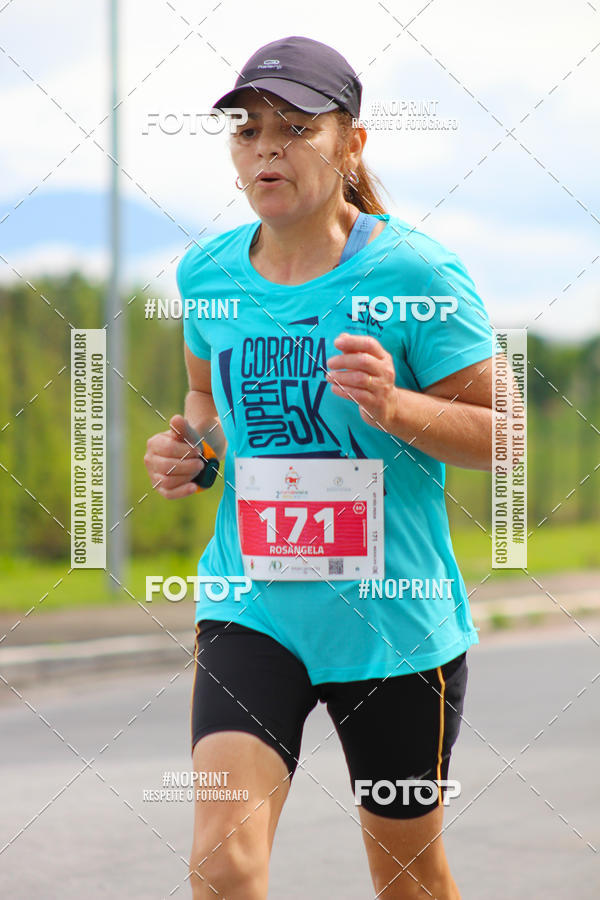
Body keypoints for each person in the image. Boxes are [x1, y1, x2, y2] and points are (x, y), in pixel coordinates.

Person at [144, 35, 500, 900]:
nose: (267, 148)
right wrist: (196, 451)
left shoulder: (415, 272)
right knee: (223, 864)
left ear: (352, 144)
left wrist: (396, 407)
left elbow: (506, 435)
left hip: (394, 625)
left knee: (408, 878)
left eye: (297, 128)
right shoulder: (208, 274)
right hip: (252, 607)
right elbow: (206, 395)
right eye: (248, 130)